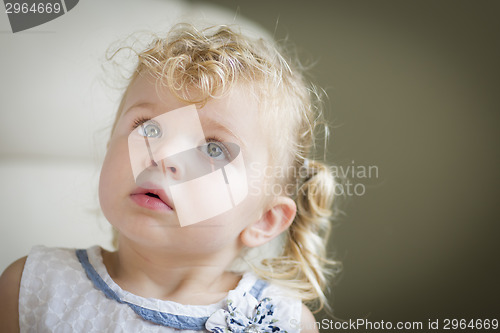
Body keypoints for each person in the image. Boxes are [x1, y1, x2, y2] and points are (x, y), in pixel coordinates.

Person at [0, 23, 338, 332]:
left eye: (214, 149)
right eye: (149, 128)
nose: (161, 156)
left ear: (264, 220)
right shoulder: (31, 286)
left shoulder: (282, 321)